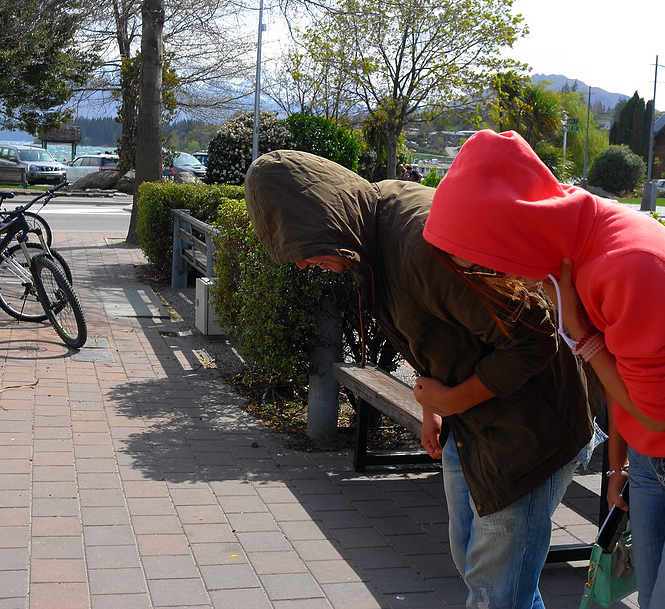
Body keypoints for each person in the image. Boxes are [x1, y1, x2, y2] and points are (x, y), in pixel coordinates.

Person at [423, 129, 665, 609]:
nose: (495, 277)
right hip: (655, 459)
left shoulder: (628, 266)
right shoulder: (574, 240)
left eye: (484, 264)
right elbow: (626, 378)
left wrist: (581, 338)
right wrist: (618, 465)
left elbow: (656, 412)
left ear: (509, 233)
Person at [245, 150, 601, 608]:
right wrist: (434, 410)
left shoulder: (418, 242)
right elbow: (427, 331)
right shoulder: (365, 234)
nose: (300, 265)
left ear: (325, 213)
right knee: (483, 572)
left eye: (300, 246)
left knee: (497, 592)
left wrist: (451, 399)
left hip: (532, 432)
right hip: (470, 422)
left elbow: (534, 336)